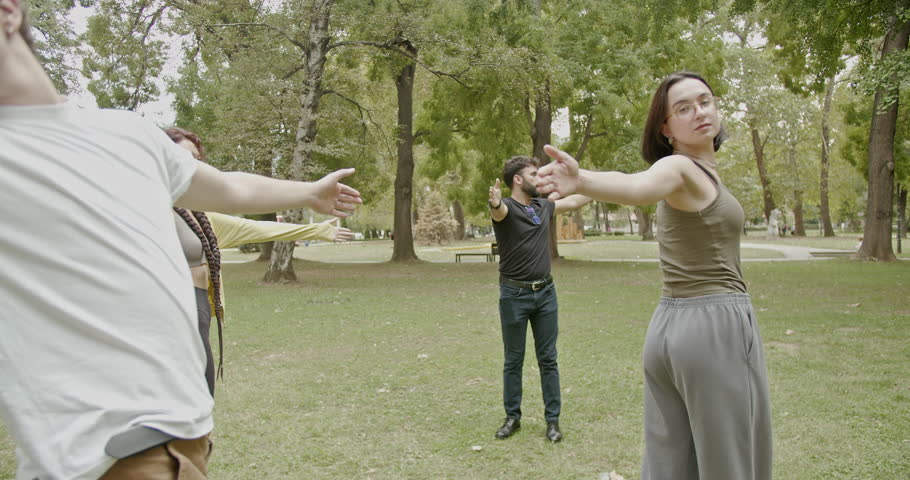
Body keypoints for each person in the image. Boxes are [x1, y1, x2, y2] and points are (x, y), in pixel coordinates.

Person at [0, 2, 361, 478]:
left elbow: (228, 188)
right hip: (99, 457)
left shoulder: (124, 132)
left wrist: (309, 193)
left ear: (8, 13)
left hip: (185, 435)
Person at [536, 71, 772, 479]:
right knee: (729, 463)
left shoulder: (694, 173)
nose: (699, 112)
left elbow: (634, 182)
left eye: (705, 101)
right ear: (665, 128)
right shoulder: (680, 168)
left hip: (669, 328)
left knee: (671, 464)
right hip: (713, 327)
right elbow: (637, 185)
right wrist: (582, 178)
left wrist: (584, 184)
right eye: (683, 108)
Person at [165, 126, 354, 396]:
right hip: (168, 317)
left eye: (197, 160)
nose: (193, 167)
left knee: (201, 395)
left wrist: (316, 228)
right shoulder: (151, 207)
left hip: (199, 314)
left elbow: (254, 224)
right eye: (184, 158)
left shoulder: (201, 218)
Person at [488, 155, 591, 443]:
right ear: (518, 179)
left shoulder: (542, 206)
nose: (539, 178)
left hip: (545, 294)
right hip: (514, 296)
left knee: (548, 359)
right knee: (513, 360)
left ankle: (552, 421)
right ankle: (512, 417)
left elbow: (575, 200)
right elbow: (499, 212)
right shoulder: (507, 207)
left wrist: (592, 184)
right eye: (533, 174)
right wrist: (495, 202)